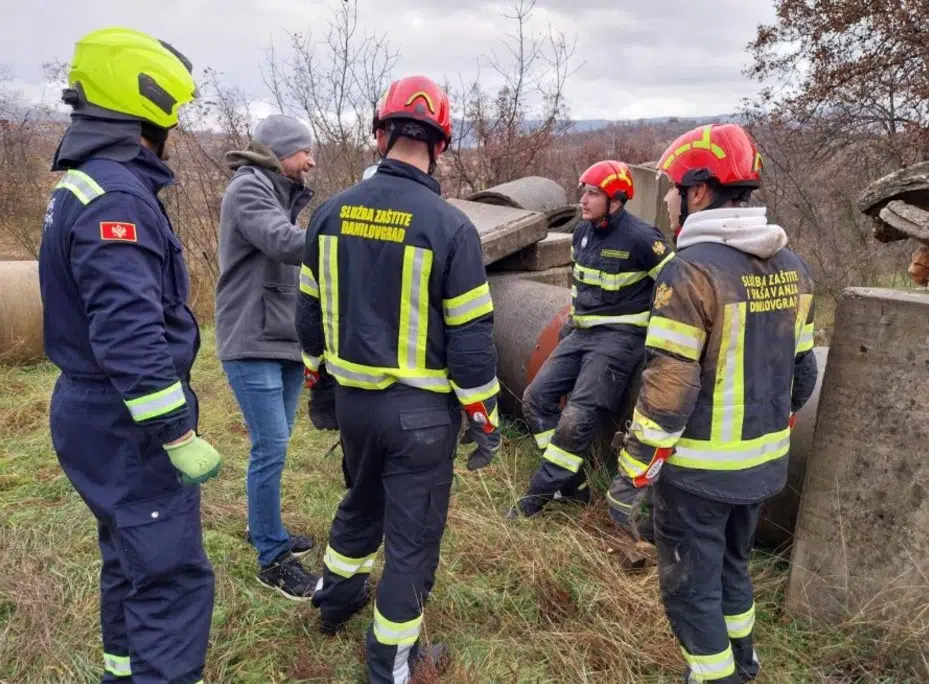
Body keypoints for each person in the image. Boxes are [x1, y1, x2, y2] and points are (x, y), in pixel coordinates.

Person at [295, 74, 499, 683]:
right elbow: (471, 339)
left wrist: (320, 383)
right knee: (411, 541)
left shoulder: (328, 212)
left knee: (361, 502)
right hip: (421, 418)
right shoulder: (450, 226)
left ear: (381, 133)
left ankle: (335, 600)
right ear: (441, 144)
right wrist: (485, 420)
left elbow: (308, 316)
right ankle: (391, 666)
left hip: (355, 406)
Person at [606, 123, 818, 683]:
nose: (672, 199)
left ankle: (716, 676)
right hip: (762, 468)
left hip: (699, 474)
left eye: (675, 188)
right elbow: (803, 376)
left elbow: (667, 392)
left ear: (699, 191)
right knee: (733, 569)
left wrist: (632, 474)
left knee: (689, 591)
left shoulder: (691, 271)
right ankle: (743, 664)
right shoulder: (794, 268)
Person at [37, 27, 218, 683]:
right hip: (124, 422)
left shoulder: (85, 184)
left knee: (129, 558)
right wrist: (176, 431)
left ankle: (124, 671)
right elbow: (129, 333)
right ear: (150, 104)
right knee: (170, 579)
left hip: (97, 413)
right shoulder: (117, 196)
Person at [508, 160, 673, 519]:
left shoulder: (643, 239)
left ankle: (536, 496)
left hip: (618, 341)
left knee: (575, 420)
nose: (583, 199)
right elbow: (582, 288)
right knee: (536, 401)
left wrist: (661, 343)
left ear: (615, 200)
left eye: (593, 193)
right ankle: (573, 485)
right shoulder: (583, 233)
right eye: (584, 191)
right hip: (581, 333)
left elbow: (675, 289)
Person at [214, 114, 319, 599]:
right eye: (304, 152)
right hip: (250, 340)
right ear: (280, 152)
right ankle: (271, 558)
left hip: (284, 340)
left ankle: (266, 529)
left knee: (276, 448)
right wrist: (343, 239)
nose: (311, 161)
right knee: (270, 446)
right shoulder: (249, 188)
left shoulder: (279, 191)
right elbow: (282, 241)